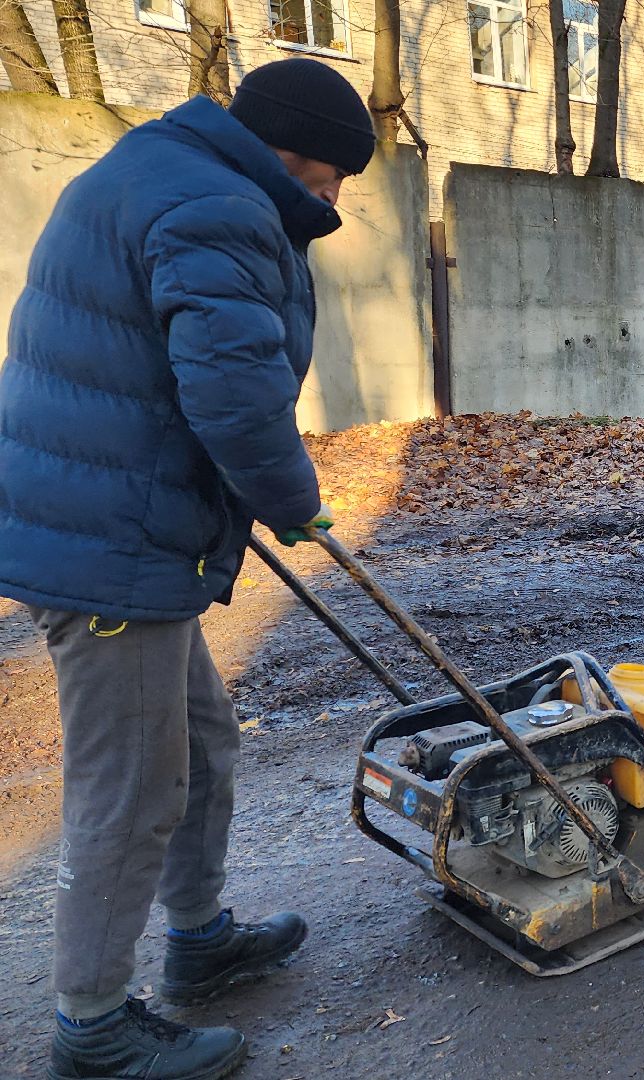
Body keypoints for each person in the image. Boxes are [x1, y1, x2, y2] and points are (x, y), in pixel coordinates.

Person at [0, 59, 374, 1079]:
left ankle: (199, 941)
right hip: (108, 534)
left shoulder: (162, 169)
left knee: (201, 740)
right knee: (130, 786)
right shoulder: (217, 203)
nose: (334, 202)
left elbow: (175, 368)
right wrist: (291, 501)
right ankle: (93, 1029)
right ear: (308, 162)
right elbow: (232, 390)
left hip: (116, 510)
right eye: (337, 180)